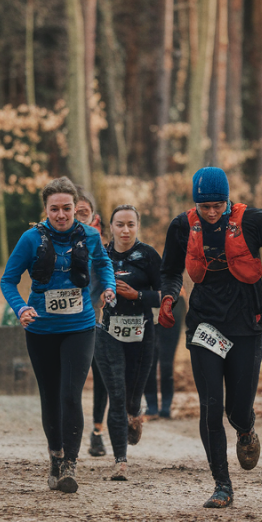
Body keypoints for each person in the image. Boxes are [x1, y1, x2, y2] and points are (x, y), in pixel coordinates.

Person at [159, 167, 262, 508]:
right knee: (210, 407)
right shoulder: (181, 226)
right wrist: (168, 296)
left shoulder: (253, 221)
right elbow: (170, 270)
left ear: (227, 200)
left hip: (245, 324)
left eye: (218, 205)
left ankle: (246, 428)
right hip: (205, 325)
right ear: (196, 203)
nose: (211, 212)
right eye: (205, 206)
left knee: (237, 408)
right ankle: (222, 485)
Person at [0, 177, 115, 494]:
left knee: (70, 393)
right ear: (46, 210)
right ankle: (56, 454)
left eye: (67, 208)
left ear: (76, 208)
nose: (62, 215)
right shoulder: (30, 239)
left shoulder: (90, 236)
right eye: (55, 209)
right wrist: (21, 308)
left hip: (80, 327)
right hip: (41, 329)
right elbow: (8, 281)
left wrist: (108, 287)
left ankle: (70, 465)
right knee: (50, 395)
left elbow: (104, 264)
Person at [91, 205, 163, 480]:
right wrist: (96, 298)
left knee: (132, 398)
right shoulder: (100, 256)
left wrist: (138, 296)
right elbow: (86, 288)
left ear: (137, 226)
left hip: (142, 334)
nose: (125, 230)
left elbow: (168, 296)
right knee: (117, 396)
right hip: (107, 333)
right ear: (110, 227)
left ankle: (137, 411)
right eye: (119, 224)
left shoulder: (147, 256)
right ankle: (120, 461)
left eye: (130, 225)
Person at [75, 191, 111, 458]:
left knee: (101, 376)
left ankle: (97, 432)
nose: (77, 218)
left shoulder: (102, 246)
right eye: (73, 212)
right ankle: (68, 431)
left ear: (95, 217)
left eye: (83, 213)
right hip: (67, 320)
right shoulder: (52, 243)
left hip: (97, 318)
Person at [143, 295, 184, 418]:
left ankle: (166, 407)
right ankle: (152, 406)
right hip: (149, 303)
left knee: (167, 362)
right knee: (149, 359)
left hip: (172, 303)